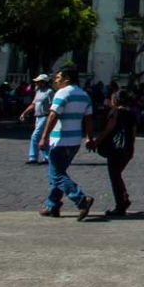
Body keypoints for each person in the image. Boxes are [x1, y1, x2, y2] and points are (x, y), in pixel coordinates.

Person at [37, 67, 96, 219]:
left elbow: (53, 115)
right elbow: (89, 119)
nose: (56, 80)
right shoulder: (84, 95)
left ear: (67, 78)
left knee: (56, 175)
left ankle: (81, 199)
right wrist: (89, 137)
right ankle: (52, 205)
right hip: (75, 140)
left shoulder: (63, 93)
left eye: (58, 77)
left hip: (60, 140)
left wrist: (44, 136)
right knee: (59, 172)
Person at [90, 88, 137, 216]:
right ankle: (124, 198)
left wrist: (96, 142)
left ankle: (120, 204)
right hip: (127, 148)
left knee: (114, 176)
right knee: (117, 175)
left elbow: (108, 129)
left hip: (115, 149)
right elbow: (133, 133)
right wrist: (132, 148)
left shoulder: (115, 112)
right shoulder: (131, 113)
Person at [19, 74, 54, 165]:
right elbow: (33, 104)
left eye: (38, 81)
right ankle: (47, 157)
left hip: (45, 116)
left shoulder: (49, 92)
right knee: (44, 137)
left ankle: (33, 157)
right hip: (38, 117)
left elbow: (52, 106)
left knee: (35, 136)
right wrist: (24, 113)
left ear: (44, 82)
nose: (36, 83)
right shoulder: (38, 92)